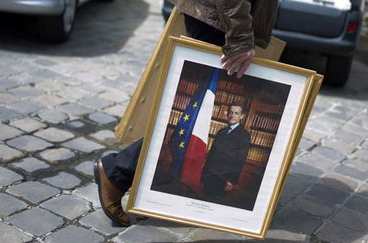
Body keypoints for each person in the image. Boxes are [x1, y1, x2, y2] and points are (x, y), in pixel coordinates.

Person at [94, 0, 278, 226]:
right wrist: (240, 36)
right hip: (219, 22)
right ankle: (117, 171)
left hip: (221, 19)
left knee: (178, 112)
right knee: (186, 122)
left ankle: (146, 195)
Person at [201, 103, 250, 203]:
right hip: (209, 175)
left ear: (241, 116)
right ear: (227, 114)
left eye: (236, 113)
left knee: (213, 206)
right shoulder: (221, 132)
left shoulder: (244, 135)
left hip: (223, 179)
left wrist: (232, 181)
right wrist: (204, 173)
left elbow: (240, 160)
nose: (232, 115)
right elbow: (211, 155)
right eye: (231, 112)